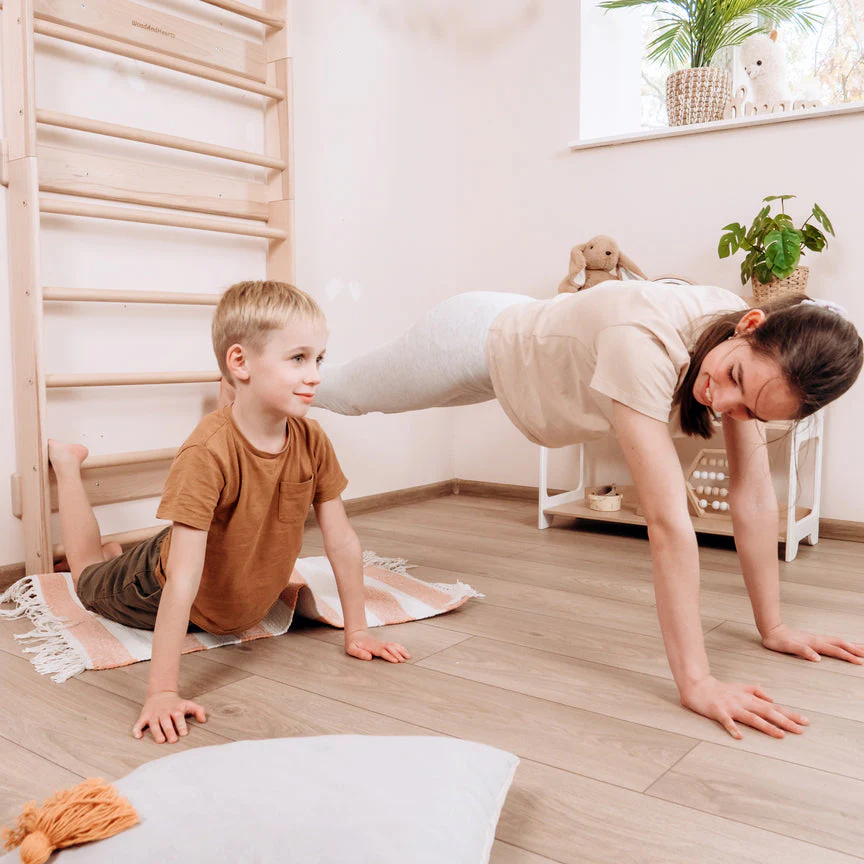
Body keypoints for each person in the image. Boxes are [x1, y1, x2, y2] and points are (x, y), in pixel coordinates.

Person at [307, 280, 864, 740]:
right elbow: (670, 526)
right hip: (477, 337)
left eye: (748, 409)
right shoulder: (643, 341)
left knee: (339, 393)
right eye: (734, 380)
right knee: (339, 392)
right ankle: (253, 382)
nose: (722, 405)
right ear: (751, 323)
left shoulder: (747, 362)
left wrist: (775, 626)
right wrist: (696, 682)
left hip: (527, 348)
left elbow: (754, 495)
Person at [49, 280, 410, 745]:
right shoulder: (206, 452)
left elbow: (341, 540)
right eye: (298, 358)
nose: (316, 374)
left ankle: (116, 549)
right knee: (86, 578)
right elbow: (182, 577)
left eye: (318, 358)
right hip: (154, 584)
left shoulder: (312, 440)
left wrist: (357, 630)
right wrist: (161, 691)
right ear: (239, 363)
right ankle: (66, 464)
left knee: (177, 540)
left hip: (211, 566)